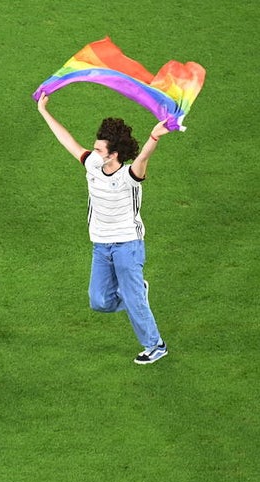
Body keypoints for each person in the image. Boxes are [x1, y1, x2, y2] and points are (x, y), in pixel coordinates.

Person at [36, 94, 171, 364]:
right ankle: (136, 295)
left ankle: (155, 345)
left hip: (127, 246)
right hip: (101, 245)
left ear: (114, 154)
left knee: (132, 299)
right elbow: (67, 140)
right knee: (99, 301)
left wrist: (155, 136)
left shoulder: (129, 177)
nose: (93, 153)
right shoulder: (92, 165)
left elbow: (143, 157)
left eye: (99, 150)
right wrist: (43, 111)